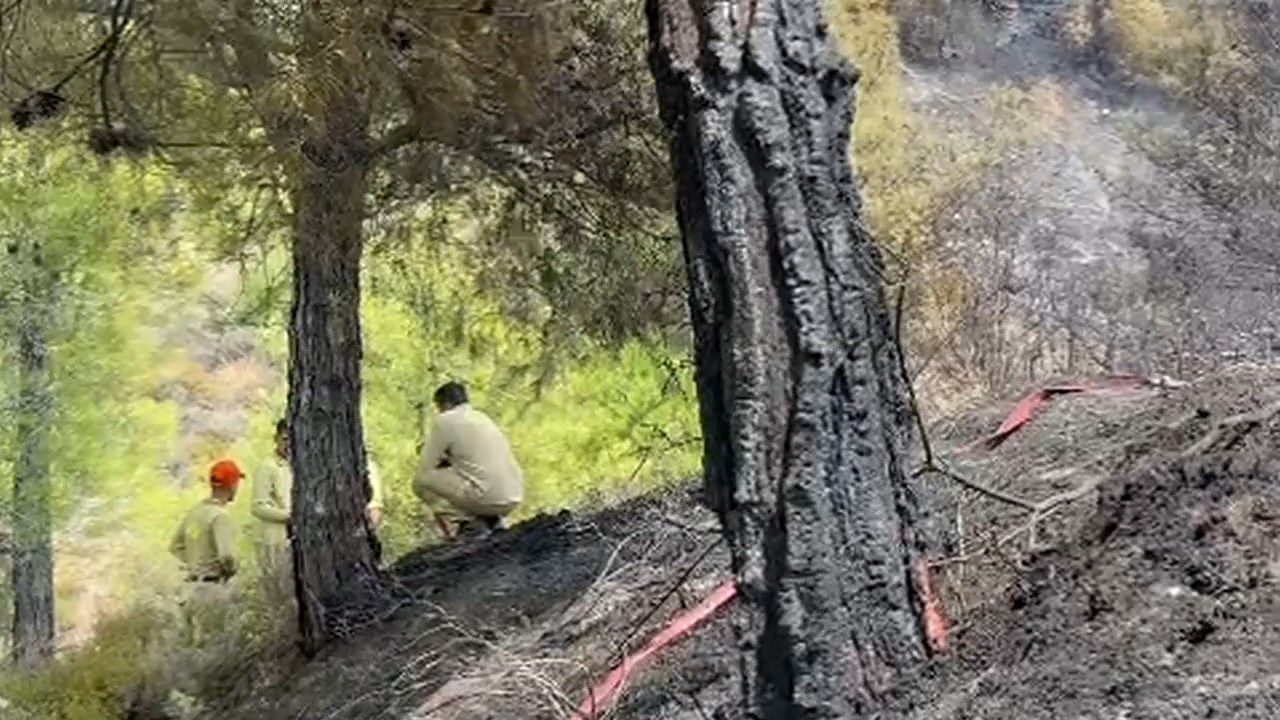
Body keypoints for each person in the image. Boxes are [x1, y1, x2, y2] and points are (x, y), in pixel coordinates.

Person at [252, 419, 385, 605]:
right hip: (280, 539)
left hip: (322, 539)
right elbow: (258, 506)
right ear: (276, 439)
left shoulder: (313, 464)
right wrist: (294, 517)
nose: (289, 444)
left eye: (293, 439)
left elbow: (373, 501)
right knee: (284, 592)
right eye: (284, 439)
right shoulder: (268, 467)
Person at [414, 381, 524, 538]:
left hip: (485, 496)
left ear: (443, 404)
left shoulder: (445, 420)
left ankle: (466, 523)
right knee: (473, 481)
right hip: (513, 495)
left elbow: (426, 465)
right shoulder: (483, 417)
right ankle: (491, 520)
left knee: (421, 482)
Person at [170, 459, 243, 644]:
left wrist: (196, 563)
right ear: (232, 485)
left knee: (191, 648)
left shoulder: (195, 512)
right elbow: (226, 557)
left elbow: (175, 547)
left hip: (189, 591)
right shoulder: (220, 517)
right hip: (212, 591)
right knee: (217, 645)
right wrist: (232, 571)